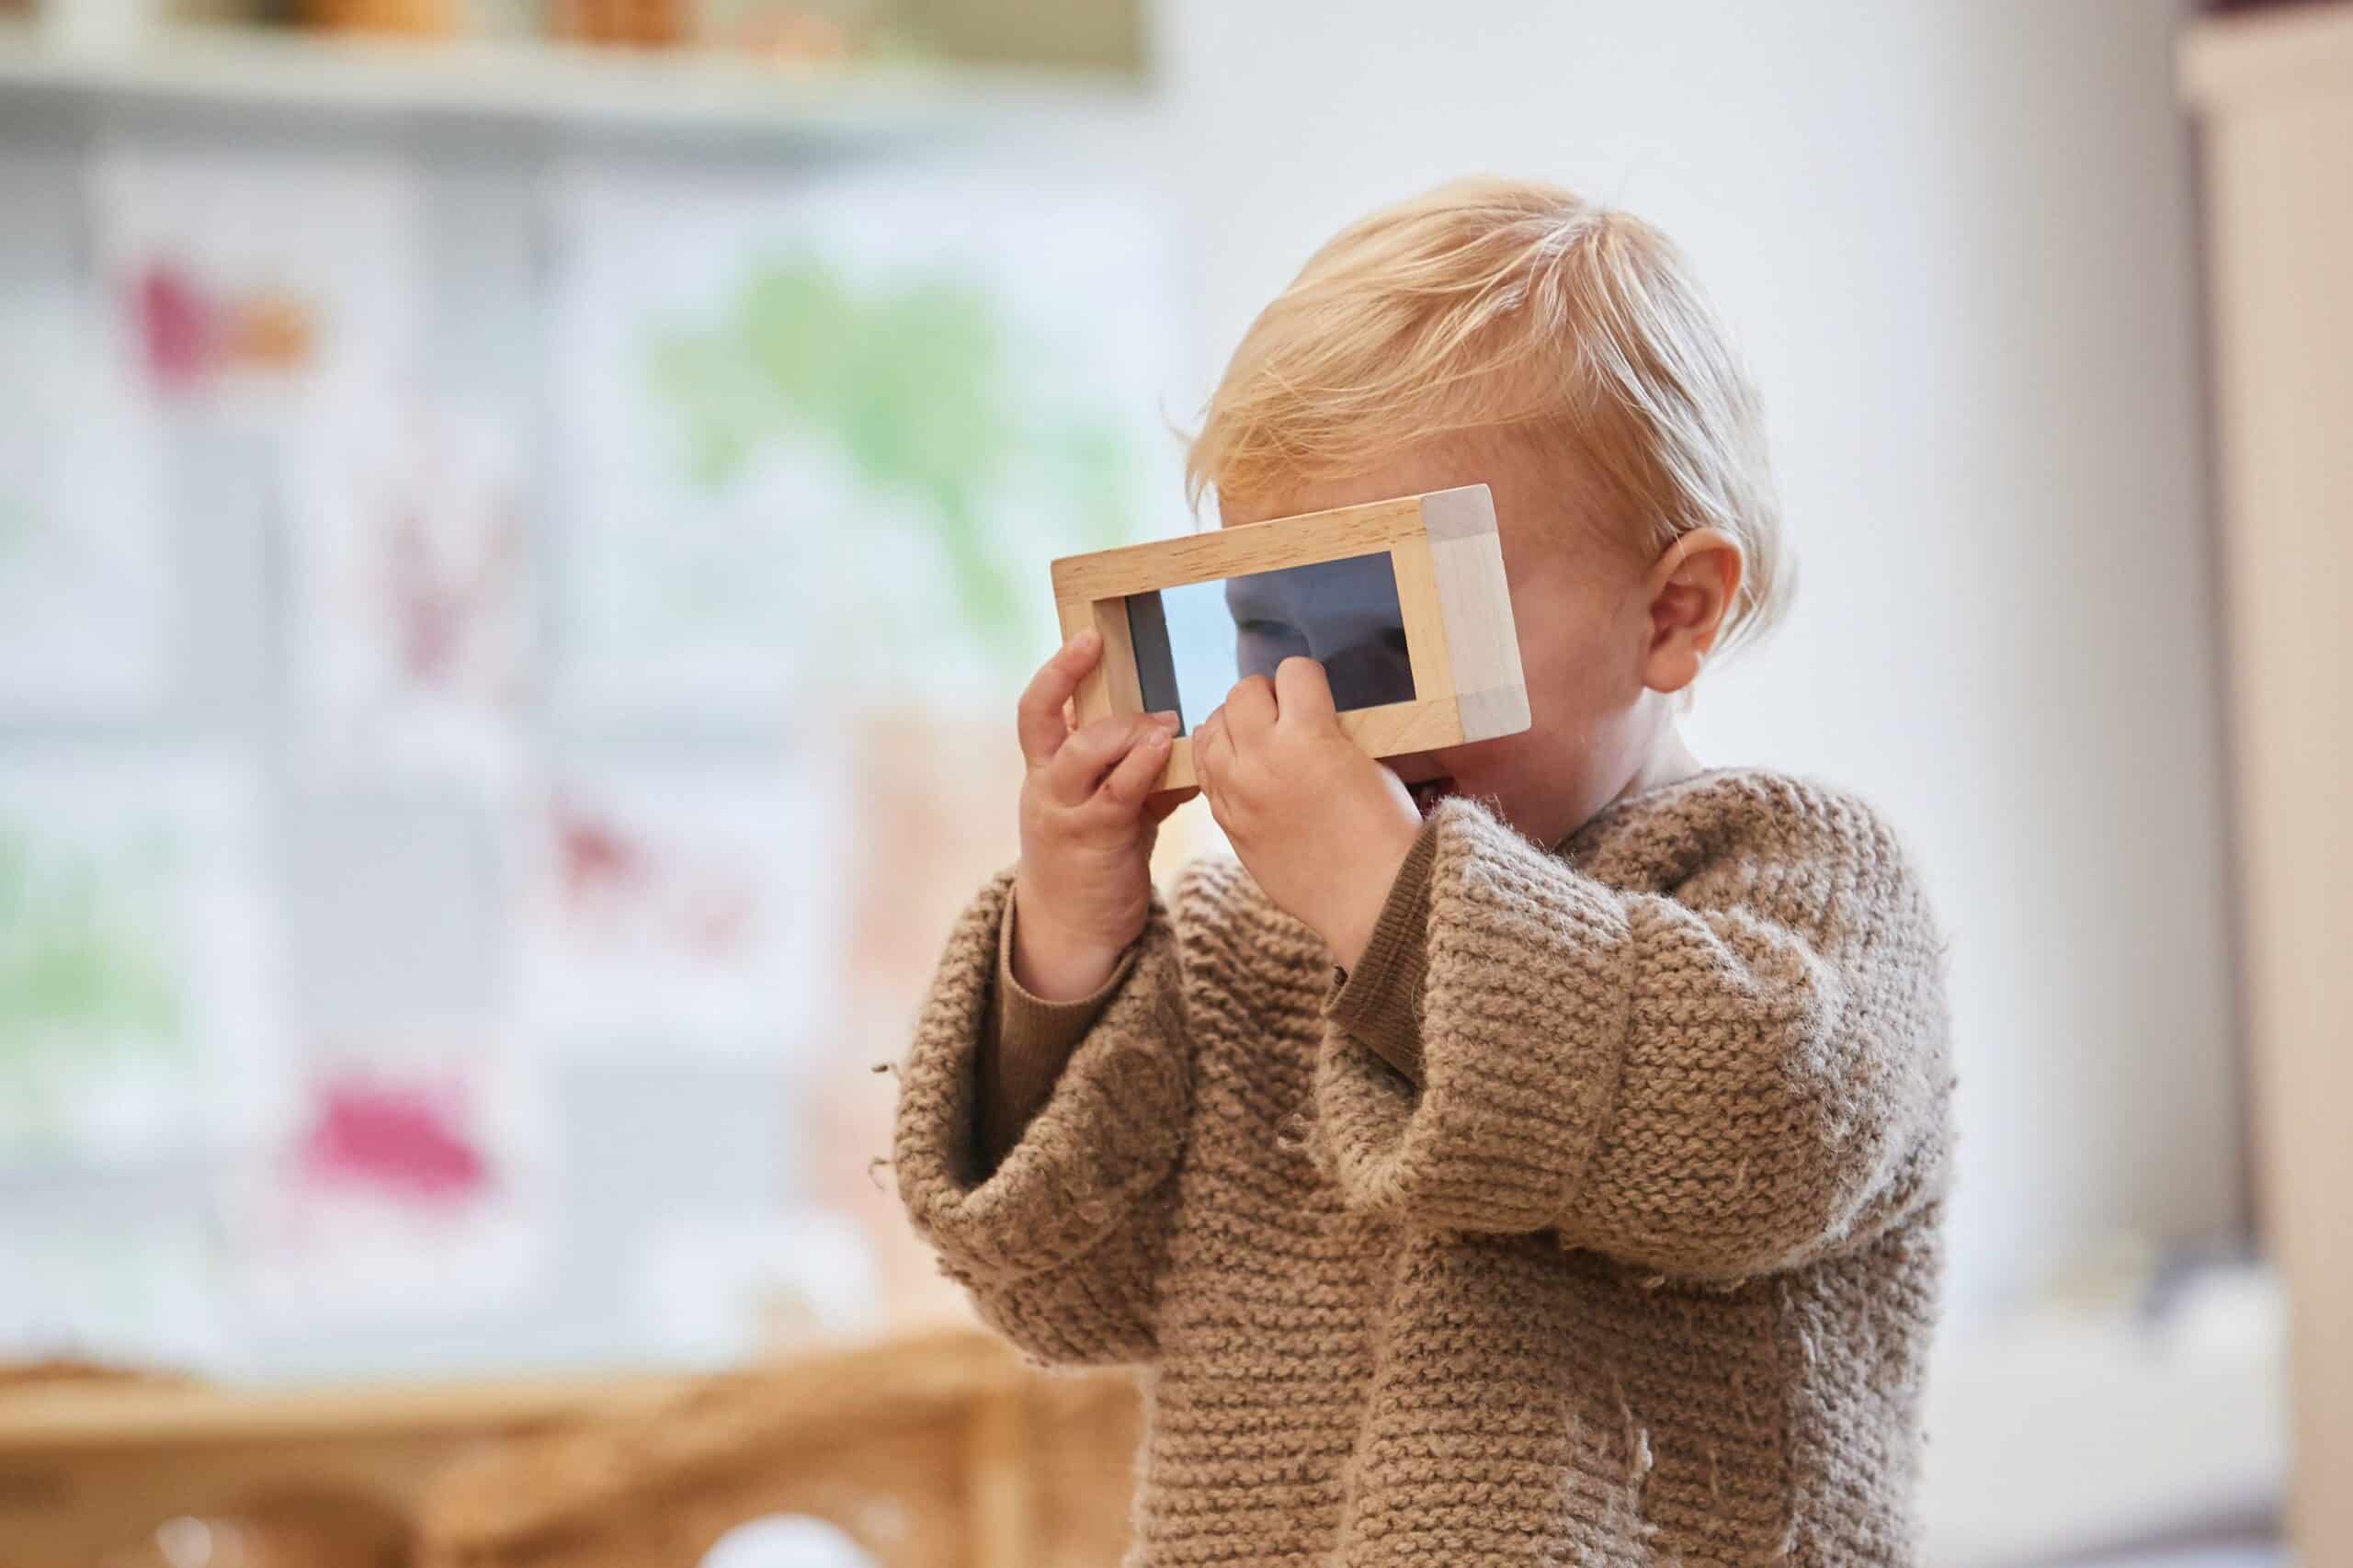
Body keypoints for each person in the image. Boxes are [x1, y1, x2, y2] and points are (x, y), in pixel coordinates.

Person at [892, 176, 1953, 1565]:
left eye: (1406, 628)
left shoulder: (1798, 886)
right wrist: (1073, 949)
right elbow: (1064, 1285)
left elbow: (1766, 1130)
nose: (1332, 711)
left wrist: (1397, 908)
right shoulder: (1241, 944)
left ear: (1674, 611)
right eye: (1282, 630)